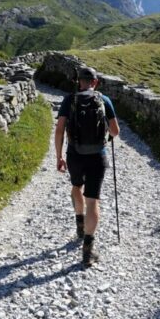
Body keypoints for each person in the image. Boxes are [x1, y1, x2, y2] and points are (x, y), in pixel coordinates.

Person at [55, 66, 120, 268]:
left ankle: (79, 225)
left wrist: (59, 157)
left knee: (76, 187)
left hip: (74, 154)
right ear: (95, 82)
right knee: (93, 201)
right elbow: (115, 131)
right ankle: (88, 250)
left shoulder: (69, 100)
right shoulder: (104, 100)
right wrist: (105, 140)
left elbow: (59, 130)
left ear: (79, 82)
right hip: (97, 156)